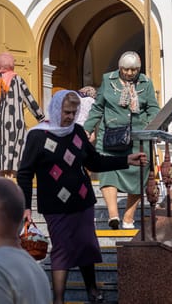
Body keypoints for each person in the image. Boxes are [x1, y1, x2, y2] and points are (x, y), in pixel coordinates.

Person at [17, 90, 147, 304]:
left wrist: (126, 160)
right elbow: (25, 172)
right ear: (56, 108)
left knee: (87, 245)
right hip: (55, 205)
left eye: (74, 112)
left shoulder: (77, 132)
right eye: (66, 112)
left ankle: (92, 291)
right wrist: (25, 207)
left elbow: (94, 162)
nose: (70, 116)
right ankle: (58, 299)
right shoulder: (38, 135)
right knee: (62, 249)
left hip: (83, 201)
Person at [83, 51, 160, 230]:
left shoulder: (146, 83)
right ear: (119, 67)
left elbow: (153, 109)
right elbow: (98, 108)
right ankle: (113, 215)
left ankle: (128, 217)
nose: (129, 73)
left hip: (137, 137)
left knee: (138, 175)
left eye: (133, 70)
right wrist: (86, 129)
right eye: (126, 69)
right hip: (110, 135)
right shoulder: (108, 80)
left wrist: (149, 127)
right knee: (107, 171)